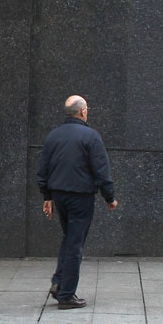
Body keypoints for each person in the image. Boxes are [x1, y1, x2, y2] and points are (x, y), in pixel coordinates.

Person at [35, 96, 116, 311]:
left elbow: (43, 169)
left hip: (59, 195)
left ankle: (59, 281)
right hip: (81, 197)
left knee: (69, 238)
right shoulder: (90, 136)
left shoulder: (54, 136)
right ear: (83, 111)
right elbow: (101, 170)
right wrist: (110, 197)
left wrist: (47, 196)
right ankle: (66, 294)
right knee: (75, 243)